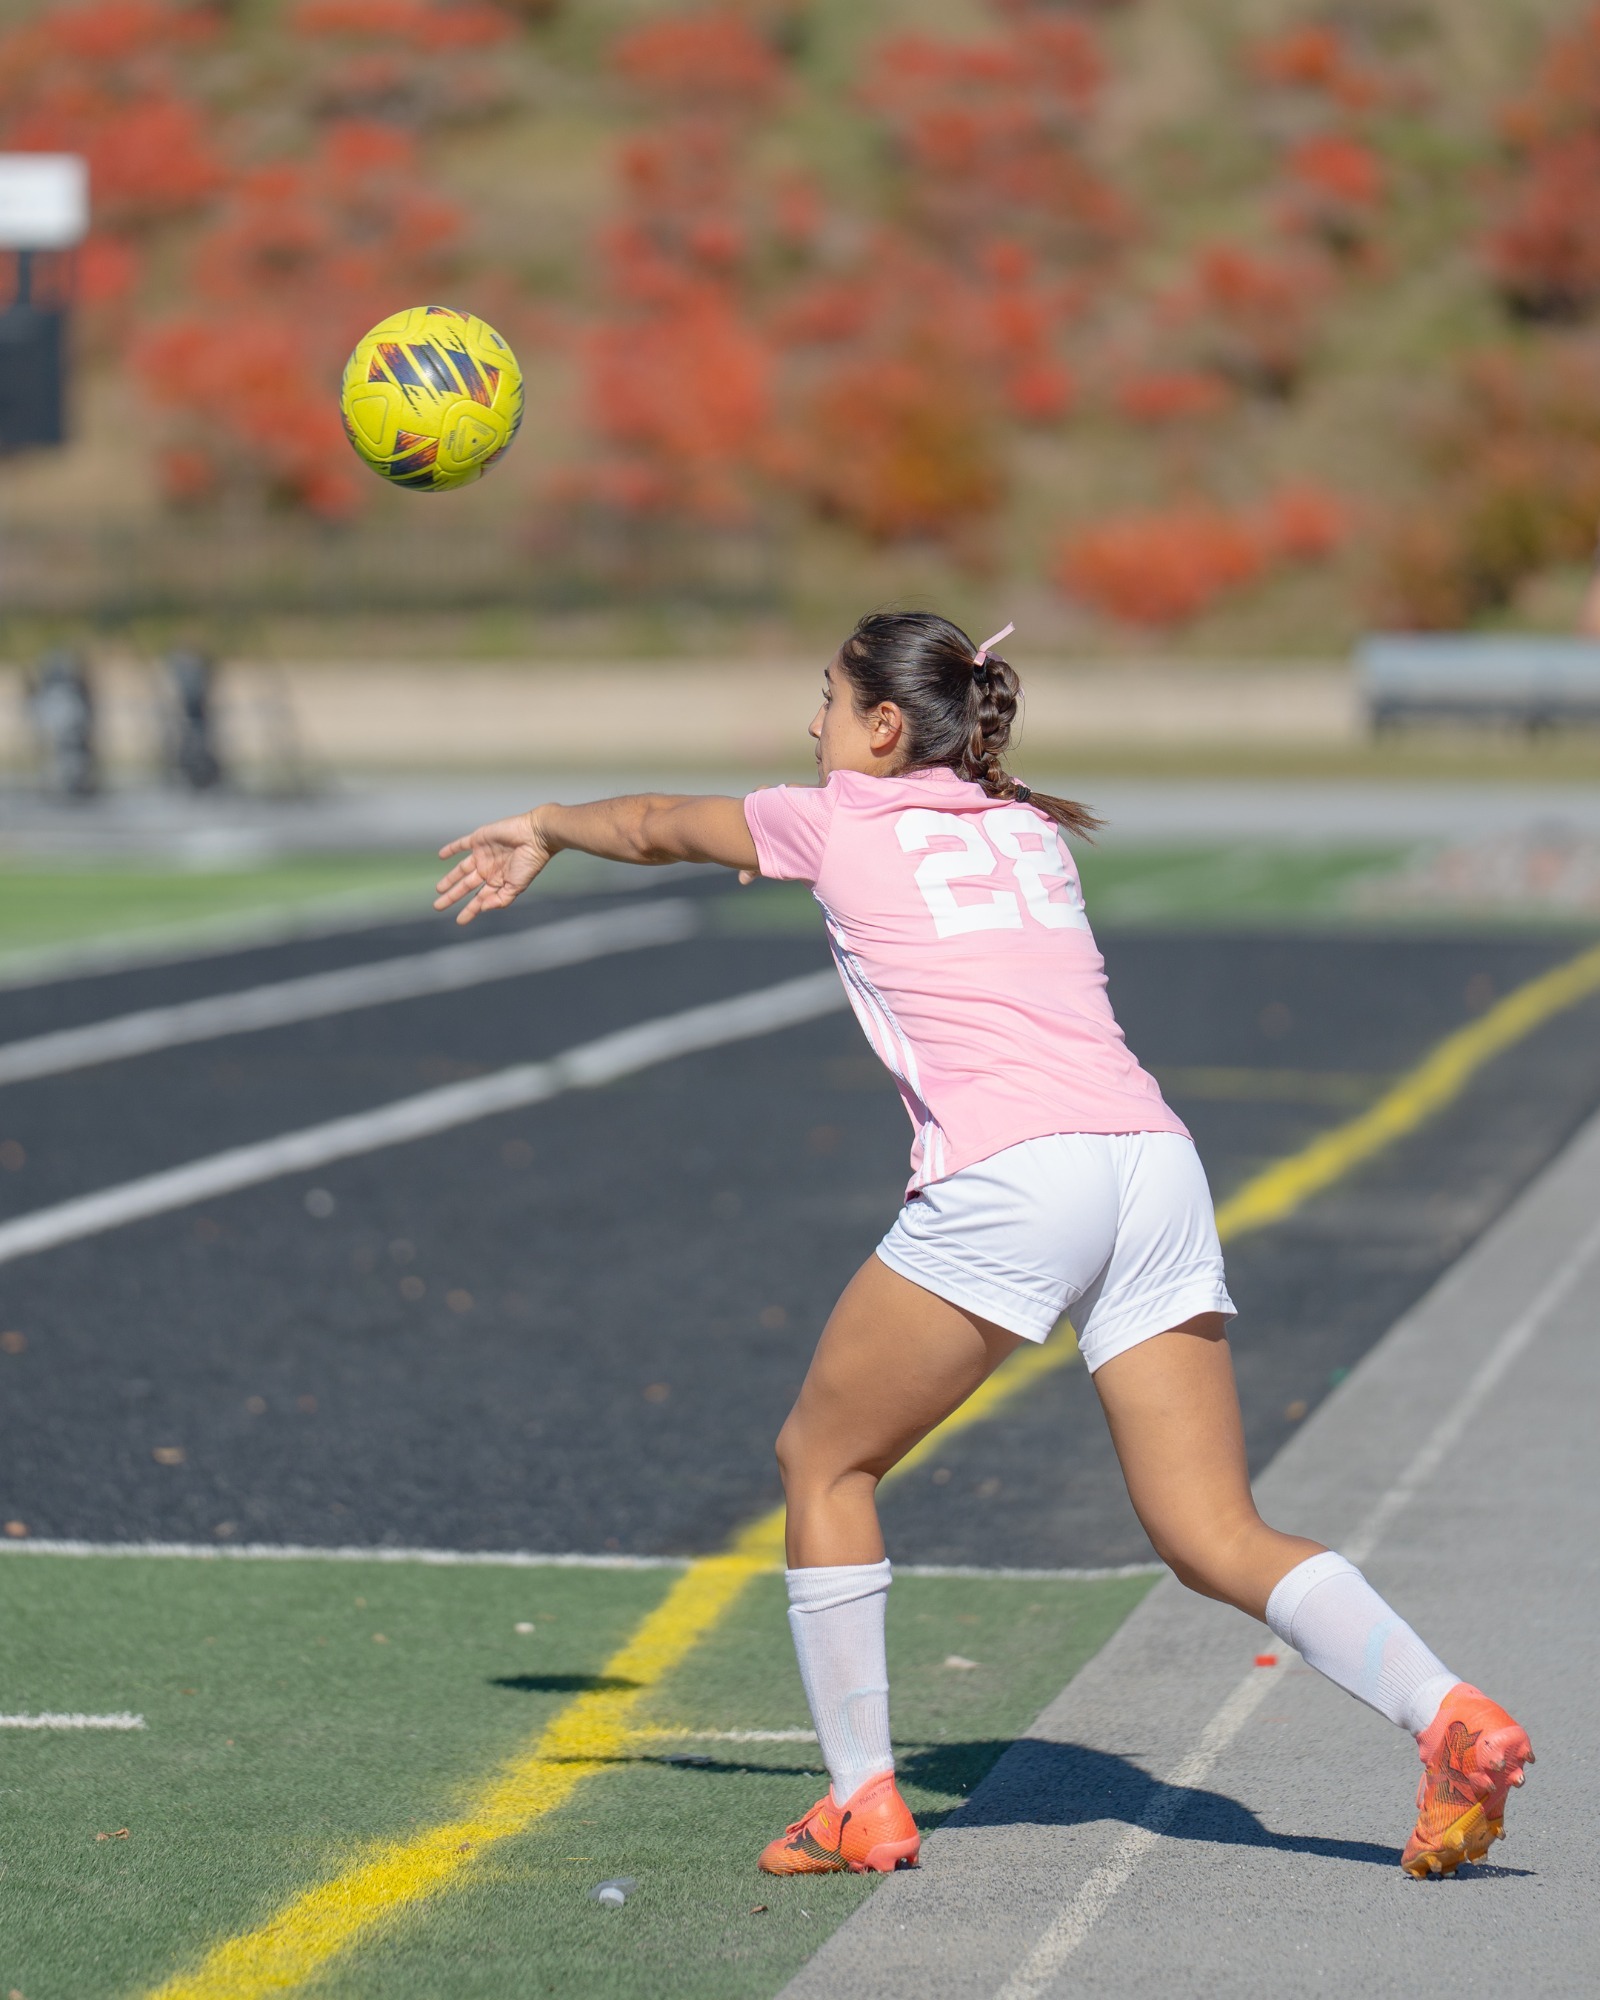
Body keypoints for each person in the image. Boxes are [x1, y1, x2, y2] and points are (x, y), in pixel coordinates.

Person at [434, 610, 1532, 1881]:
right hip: (1151, 1159)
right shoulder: (1026, 826)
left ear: (884, 727)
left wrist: (547, 822)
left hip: (1018, 1175)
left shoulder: (835, 817)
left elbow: (652, 825)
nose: (812, 727)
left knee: (823, 1462)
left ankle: (860, 1800)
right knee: (1213, 1531)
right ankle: (1449, 1712)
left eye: (828, 705)